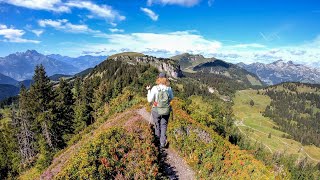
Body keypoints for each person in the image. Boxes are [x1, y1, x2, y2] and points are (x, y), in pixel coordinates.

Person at [147, 72, 174, 148]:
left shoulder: (155, 88)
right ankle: (162, 143)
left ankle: (157, 141)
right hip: (165, 110)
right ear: (166, 79)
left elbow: (149, 100)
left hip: (156, 109)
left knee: (157, 125)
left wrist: (148, 90)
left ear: (158, 78)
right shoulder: (168, 88)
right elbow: (171, 98)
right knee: (163, 125)